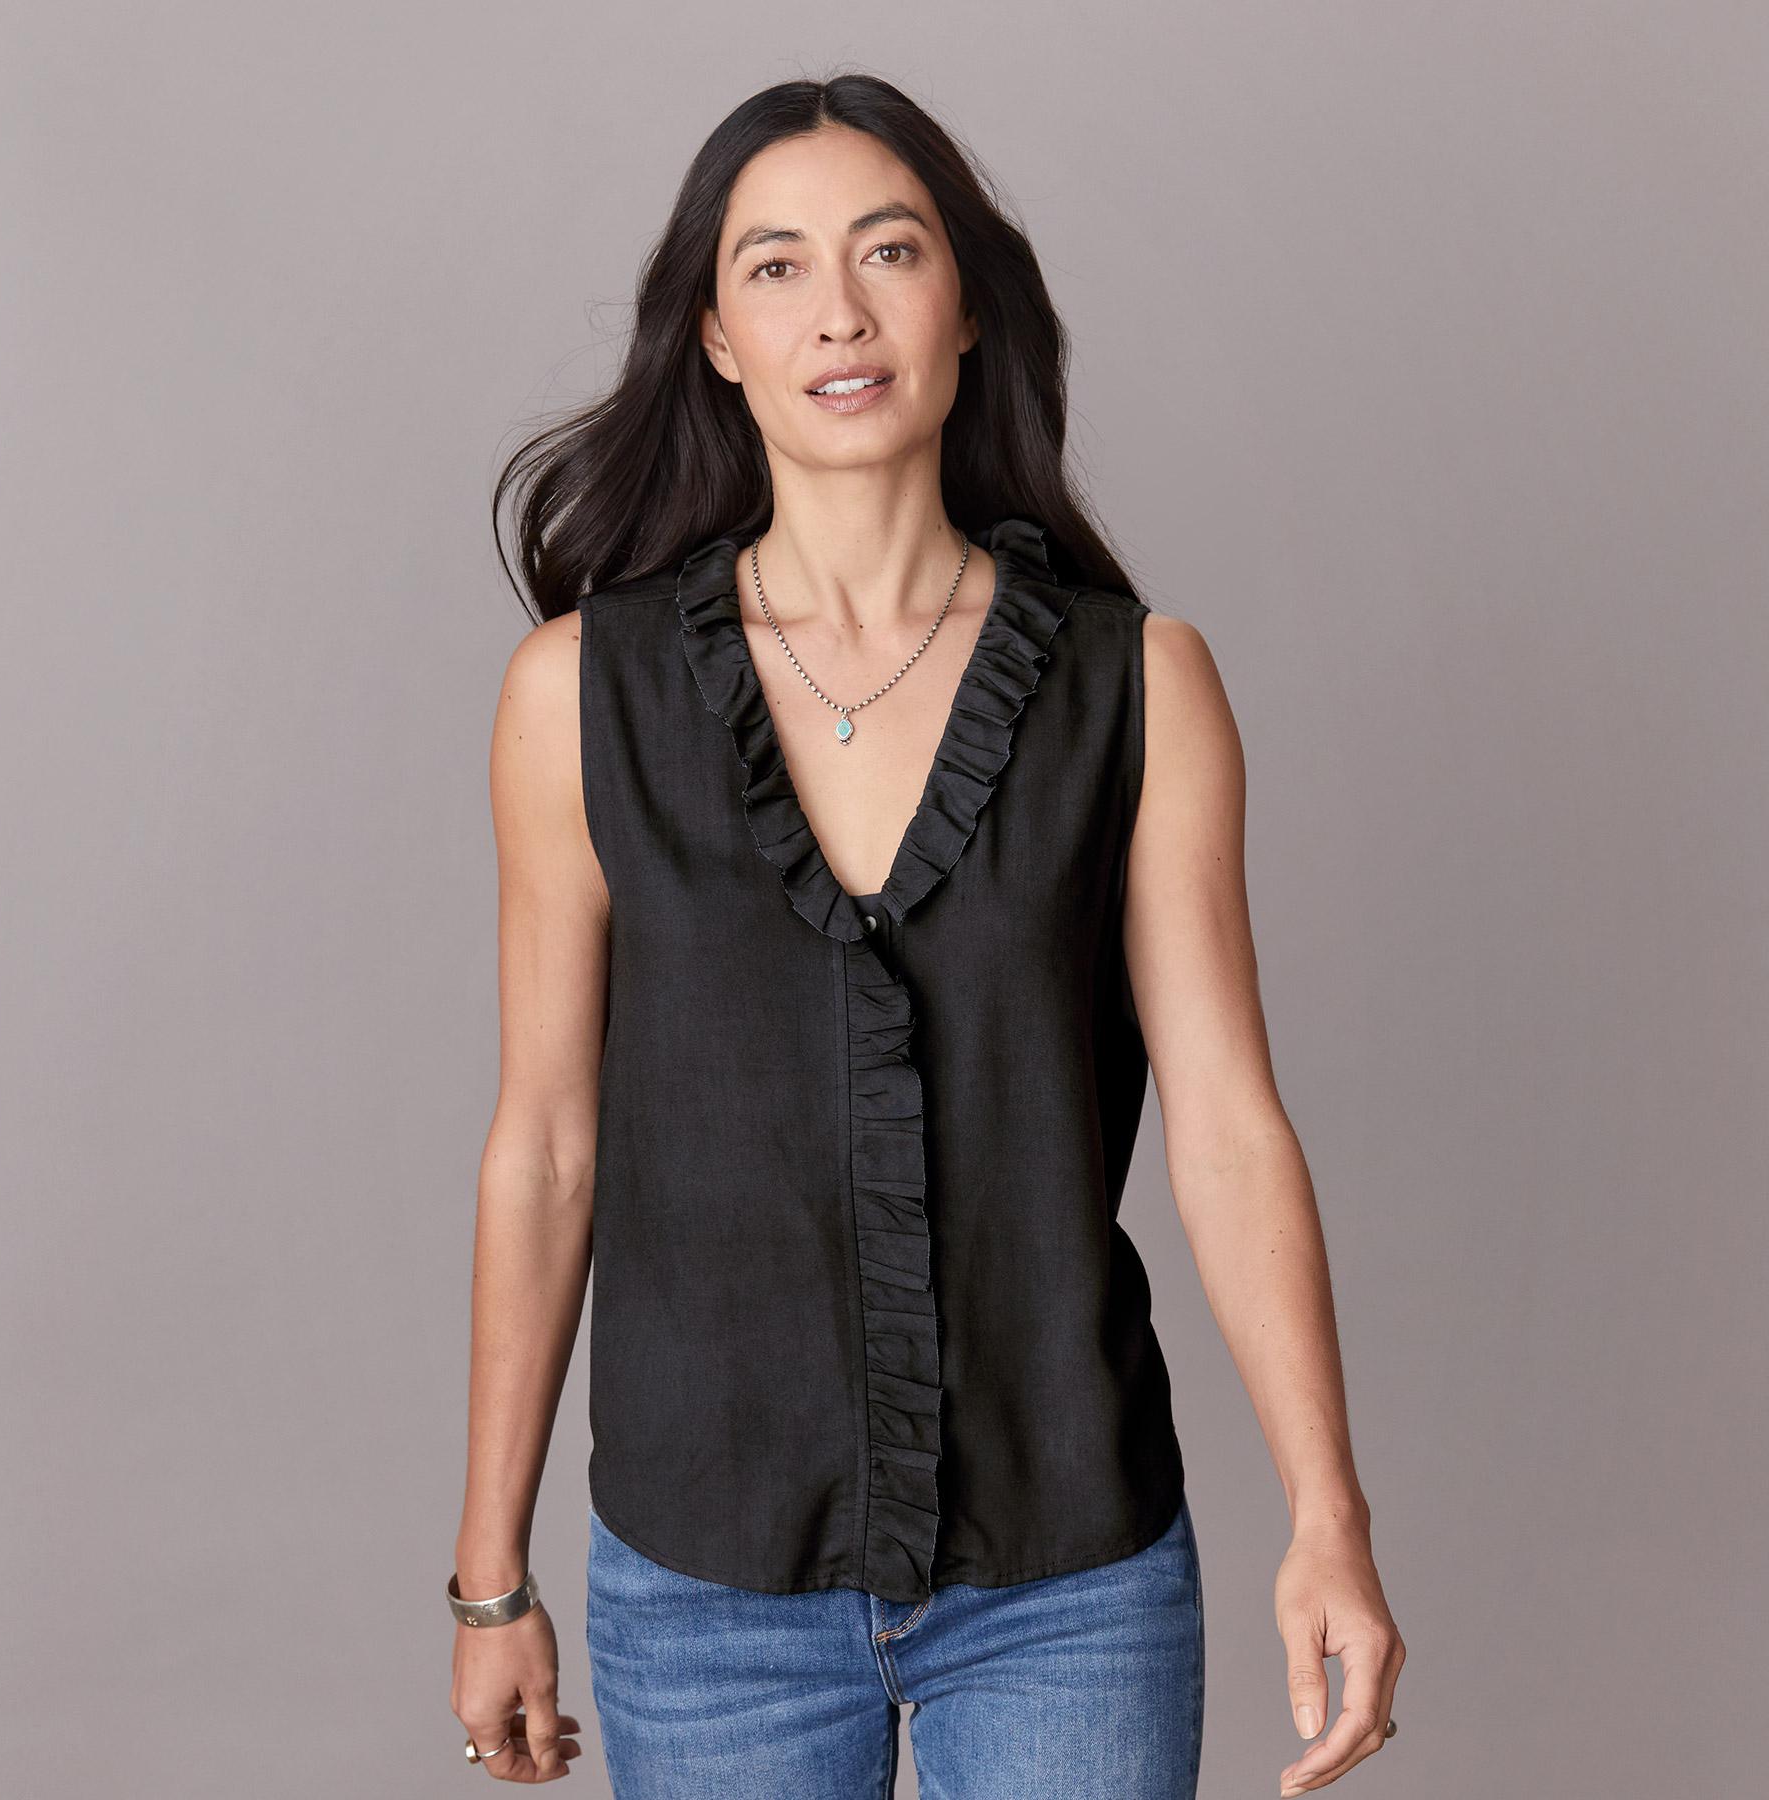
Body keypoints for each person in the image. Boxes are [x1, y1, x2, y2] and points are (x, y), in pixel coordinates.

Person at [448, 71, 1405, 1798]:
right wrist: (490, 1574)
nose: (840, 311)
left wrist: (1328, 1517)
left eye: (889, 251)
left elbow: (1229, 1132)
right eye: (776, 267)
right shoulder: (579, 697)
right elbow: (547, 1148)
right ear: (717, 337)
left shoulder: (1139, 685)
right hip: (706, 1579)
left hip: (1070, 1574)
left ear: (967, 307)